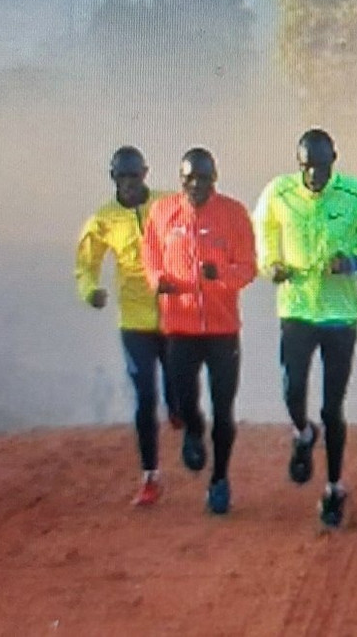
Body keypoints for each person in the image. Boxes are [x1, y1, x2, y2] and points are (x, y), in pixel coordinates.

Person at [255, 127, 357, 527]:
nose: (314, 175)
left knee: (333, 406)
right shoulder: (278, 193)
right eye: (307, 168)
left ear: (334, 160)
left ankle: (334, 487)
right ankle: (301, 433)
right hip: (297, 309)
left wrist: (354, 260)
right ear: (298, 164)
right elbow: (262, 231)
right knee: (292, 389)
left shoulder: (355, 194)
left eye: (321, 166)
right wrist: (272, 265)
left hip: (339, 314)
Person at [141, 147, 257, 515]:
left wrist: (220, 276)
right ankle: (193, 429)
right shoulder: (162, 213)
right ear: (181, 181)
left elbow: (248, 267)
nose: (196, 186)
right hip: (180, 325)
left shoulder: (234, 214)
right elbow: (151, 258)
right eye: (189, 179)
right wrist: (158, 281)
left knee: (224, 409)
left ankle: (220, 480)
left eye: (203, 179)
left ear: (214, 180)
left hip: (222, 329)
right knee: (183, 399)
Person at [73, 145, 177, 507]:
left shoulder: (169, 204)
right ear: (113, 179)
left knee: (178, 391)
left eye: (135, 176)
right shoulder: (103, 219)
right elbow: (86, 263)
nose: (130, 184)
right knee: (144, 396)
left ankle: (179, 409)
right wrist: (90, 292)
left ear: (145, 174)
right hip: (133, 321)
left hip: (175, 313)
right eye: (123, 178)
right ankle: (150, 476)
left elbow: (198, 235)